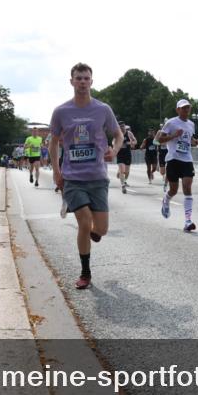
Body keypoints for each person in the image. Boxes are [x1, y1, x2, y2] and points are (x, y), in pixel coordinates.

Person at [49, 62, 123, 290]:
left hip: (97, 176)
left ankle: (94, 232)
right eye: (78, 78)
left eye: (86, 78)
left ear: (92, 81)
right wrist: (56, 172)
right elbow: (53, 144)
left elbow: (118, 135)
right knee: (83, 222)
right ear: (71, 81)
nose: (82, 82)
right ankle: (85, 273)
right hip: (73, 178)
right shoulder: (61, 112)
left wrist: (115, 150)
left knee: (100, 229)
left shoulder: (102, 109)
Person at [157, 100, 197, 232]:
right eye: (183, 108)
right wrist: (174, 135)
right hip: (173, 159)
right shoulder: (171, 123)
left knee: (187, 187)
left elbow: (189, 140)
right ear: (177, 110)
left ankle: (187, 220)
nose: (186, 110)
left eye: (188, 108)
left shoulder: (191, 124)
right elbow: (159, 140)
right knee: (173, 190)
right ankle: (166, 201)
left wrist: (197, 141)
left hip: (187, 159)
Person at [115, 122, 138, 194]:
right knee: (122, 170)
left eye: (123, 126)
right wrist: (118, 144)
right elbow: (113, 142)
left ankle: (124, 180)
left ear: (124, 126)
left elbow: (135, 141)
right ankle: (123, 186)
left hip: (127, 154)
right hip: (120, 154)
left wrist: (131, 143)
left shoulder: (129, 133)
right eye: (120, 126)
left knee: (126, 172)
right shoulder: (117, 133)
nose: (122, 128)